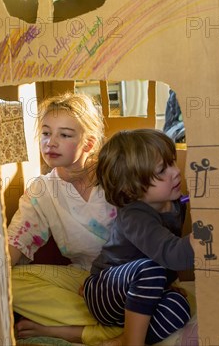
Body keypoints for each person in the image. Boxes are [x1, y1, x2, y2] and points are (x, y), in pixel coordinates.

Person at [7, 92, 122, 344]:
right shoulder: (41, 190)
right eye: (46, 133)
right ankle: (116, 330)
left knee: (154, 303)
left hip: (130, 281)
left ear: (89, 143)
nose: (51, 142)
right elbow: (15, 243)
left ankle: (61, 331)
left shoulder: (118, 177)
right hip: (82, 281)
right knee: (7, 282)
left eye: (65, 135)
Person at [83, 129, 195, 346]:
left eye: (172, 162)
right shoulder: (133, 215)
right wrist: (207, 233)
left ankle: (123, 337)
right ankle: (130, 342)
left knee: (179, 306)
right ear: (130, 188)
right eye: (162, 169)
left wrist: (166, 285)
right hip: (107, 292)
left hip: (139, 302)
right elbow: (173, 254)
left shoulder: (174, 203)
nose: (175, 172)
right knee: (149, 268)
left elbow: (163, 251)